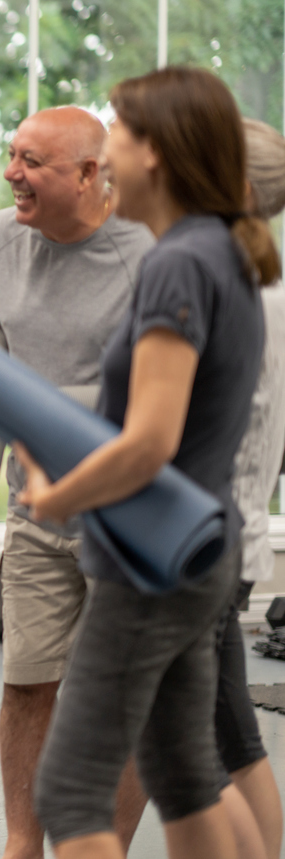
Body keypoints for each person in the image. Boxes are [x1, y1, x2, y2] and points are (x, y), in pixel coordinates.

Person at [19, 66, 279, 859]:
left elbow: (150, 440)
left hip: (155, 558)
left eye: (119, 137)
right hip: (193, 546)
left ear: (157, 154)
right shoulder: (216, 253)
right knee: (185, 768)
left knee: (70, 787)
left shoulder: (180, 263)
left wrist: (58, 496)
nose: (108, 156)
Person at [0, 106, 155, 858]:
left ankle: (103, 849)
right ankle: (22, 842)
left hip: (130, 520)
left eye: (32, 162)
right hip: (34, 511)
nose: (11, 173)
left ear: (89, 175)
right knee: (27, 683)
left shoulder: (151, 252)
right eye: (11, 154)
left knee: (120, 698)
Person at [214, 117, 285, 859]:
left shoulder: (239, 291)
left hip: (203, 544)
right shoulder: (248, 281)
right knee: (228, 731)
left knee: (208, 747)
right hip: (221, 539)